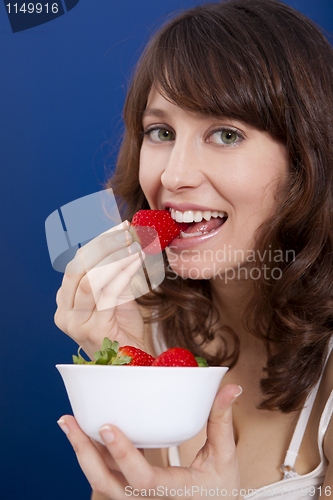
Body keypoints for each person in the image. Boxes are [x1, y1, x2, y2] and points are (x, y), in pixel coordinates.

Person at [54, 0, 333, 498]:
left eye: (225, 134)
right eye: (160, 132)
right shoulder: (145, 333)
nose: (173, 176)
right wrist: (126, 367)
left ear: (306, 161)